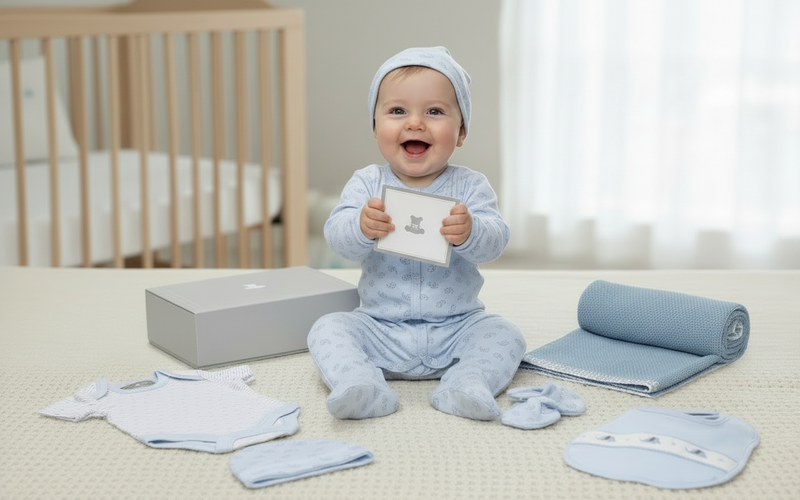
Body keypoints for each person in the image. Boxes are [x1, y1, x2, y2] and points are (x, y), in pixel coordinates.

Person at [307, 46, 526, 421]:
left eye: (435, 111)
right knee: (328, 327)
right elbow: (337, 238)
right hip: (380, 326)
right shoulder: (367, 183)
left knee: (506, 334)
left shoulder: (470, 186)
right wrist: (360, 226)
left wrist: (471, 231)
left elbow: (496, 240)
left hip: (457, 325)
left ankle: (465, 383)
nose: (415, 123)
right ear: (375, 128)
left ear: (460, 132)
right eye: (397, 111)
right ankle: (362, 384)